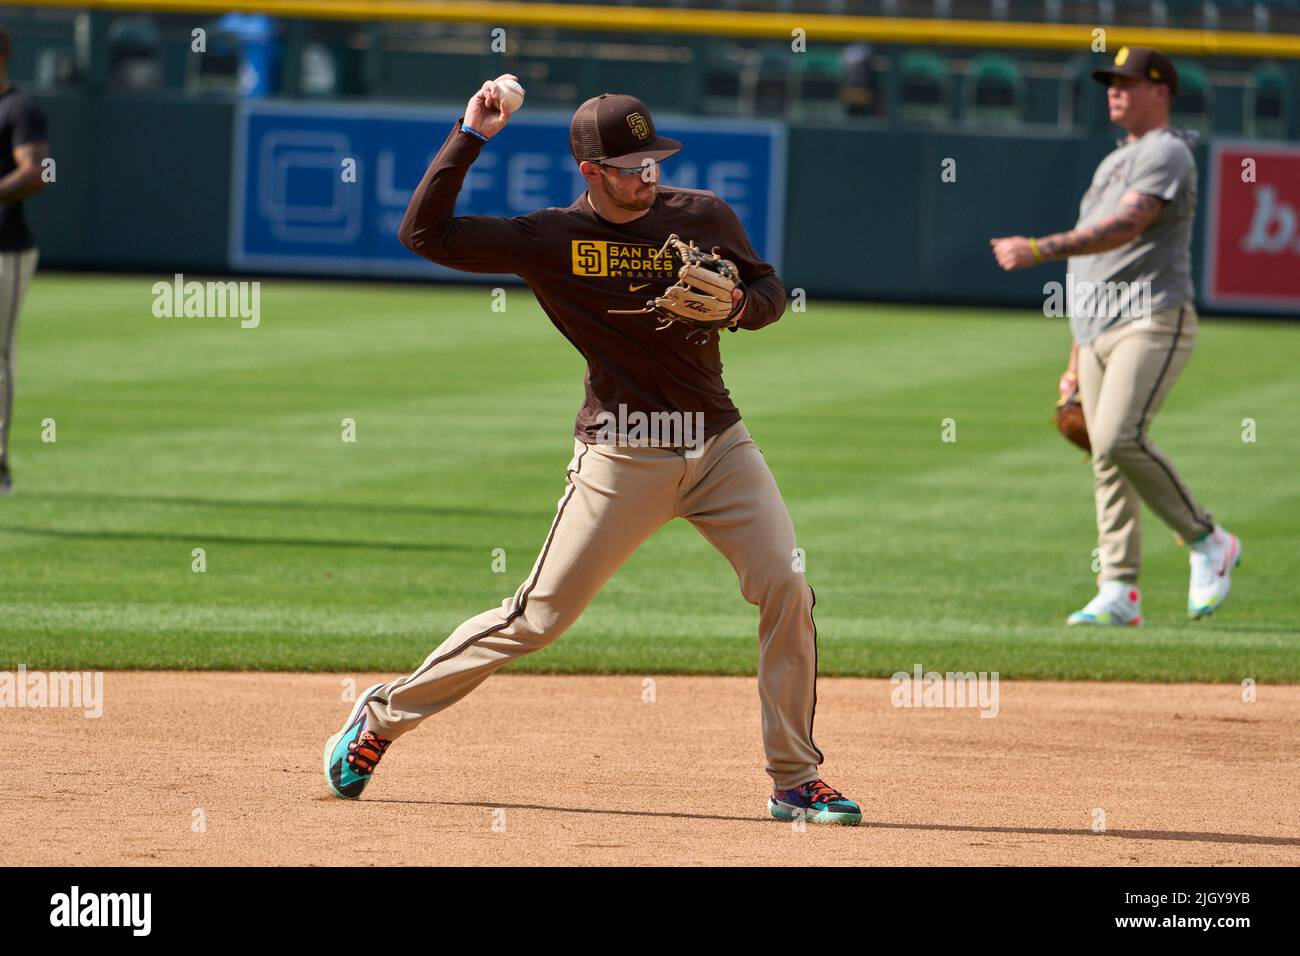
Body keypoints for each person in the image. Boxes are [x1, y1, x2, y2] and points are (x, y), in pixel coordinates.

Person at [322, 82, 861, 825]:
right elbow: (424, 235)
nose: (648, 176)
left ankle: (794, 778)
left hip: (719, 445)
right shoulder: (549, 239)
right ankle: (381, 717)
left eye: (653, 161)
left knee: (787, 588)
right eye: (631, 165)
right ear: (591, 170)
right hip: (622, 456)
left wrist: (742, 307)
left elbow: (768, 287)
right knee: (535, 620)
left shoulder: (702, 215)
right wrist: (470, 135)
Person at [990, 46, 1240, 625]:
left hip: (1151, 316)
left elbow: (1128, 226)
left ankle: (1208, 541)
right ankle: (1120, 588)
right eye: (1111, 81)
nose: (1115, 90)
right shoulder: (1112, 162)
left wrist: (1036, 249)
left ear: (1161, 92)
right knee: (1103, 454)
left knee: (1122, 437)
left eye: (1128, 82)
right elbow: (1092, 268)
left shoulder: (1169, 151)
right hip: (1096, 327)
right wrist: (1075, 356)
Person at [0, 22, 50, 494]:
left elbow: (37, 173)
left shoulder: (20, 107)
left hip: (6, 250)